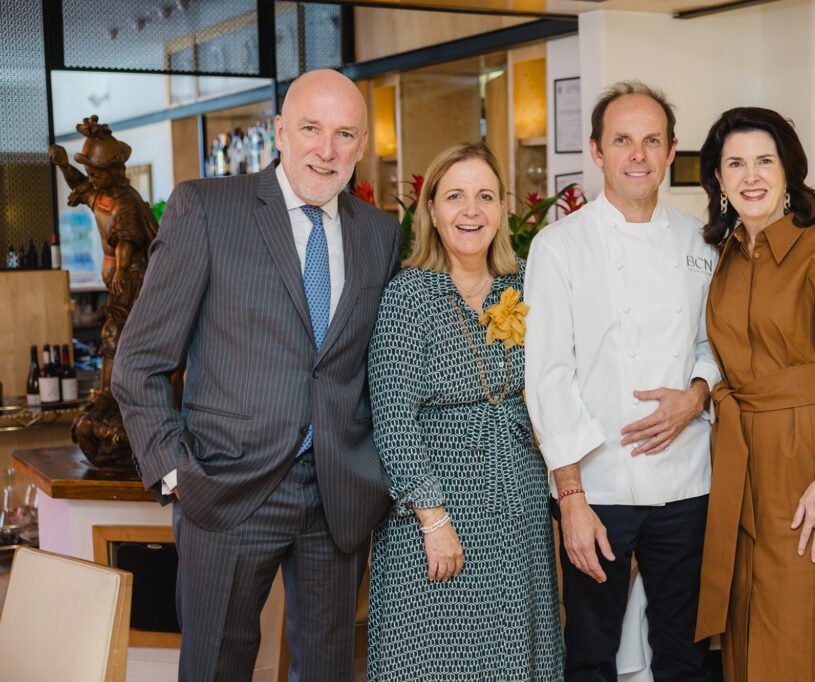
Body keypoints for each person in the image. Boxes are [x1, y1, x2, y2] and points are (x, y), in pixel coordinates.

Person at [112, 69, 400, 681]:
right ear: (279, 132)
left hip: (338, 496)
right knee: (217, 667)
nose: (327, 150)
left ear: (362, 143)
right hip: (225, 488)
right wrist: (174, 471)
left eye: (345, 134)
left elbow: (377, 366)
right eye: (311, 129)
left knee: (327, 671)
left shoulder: (380, 233)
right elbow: (139, 362)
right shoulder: (207, 209)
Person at [524, 80, 720, 681]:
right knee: (590, 653)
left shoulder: (701, 241)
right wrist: (572, 498)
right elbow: (548, 375)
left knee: (685, 652)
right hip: (598, 484)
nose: (638, 154)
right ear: (597, 151)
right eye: (622, 140)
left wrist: (696, 394)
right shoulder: (558, 246)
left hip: (686, 480)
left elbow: (715, 345)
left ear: (671, 151)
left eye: (651, 141)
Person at [693, 107, 815, 682]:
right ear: (717, 179)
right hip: (741, 466)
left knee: (809, 642)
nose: (750, 175)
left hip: (813, 461)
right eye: (735, 163)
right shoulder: (724, 258)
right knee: (749, 632)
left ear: (789, 172)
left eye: (765, 160)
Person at [366, 142, 563, 681]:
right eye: (455, 196)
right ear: (431, 209)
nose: (471, 211)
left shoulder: (524, 285)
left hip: (517, 510)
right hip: (436, 515)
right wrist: (433, 518)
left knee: (514, 657)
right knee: (434, 660)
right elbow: (392, 418)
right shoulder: (409, 295)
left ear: (502, 208)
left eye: (485, 196)